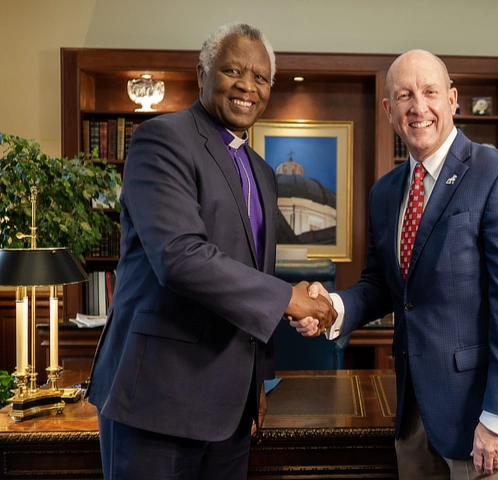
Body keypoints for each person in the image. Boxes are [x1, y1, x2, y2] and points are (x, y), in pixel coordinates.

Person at [88, 22, 336, 480]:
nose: (248, 86)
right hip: (157, 401)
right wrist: (288, 298)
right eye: (233, 71)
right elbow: (180, 257)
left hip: (231, 411)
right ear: (202, 72)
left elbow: (246, 273)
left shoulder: (262, 171)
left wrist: (256, 380)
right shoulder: (161, 139)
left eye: (261, 78)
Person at [295, 49, 498, 480]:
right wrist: (333, 308)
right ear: (388, 110)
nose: (419, 107)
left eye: (430, 92)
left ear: (452, 99)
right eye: (404, 95)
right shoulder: (385, 192)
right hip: (414, 415)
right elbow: (383, 284)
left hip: (482, 420)